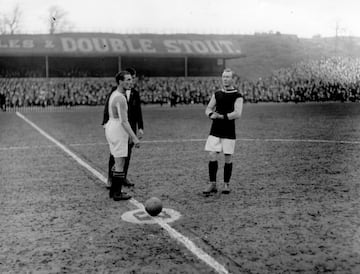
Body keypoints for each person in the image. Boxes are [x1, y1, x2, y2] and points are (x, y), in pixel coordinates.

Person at [203, 68, 243, 195]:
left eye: (228, 77)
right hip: (215, 129)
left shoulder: (238, 95)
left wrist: (221, 116)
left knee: (228, 157)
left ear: (232, 79)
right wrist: (210, 114)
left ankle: (226, 184)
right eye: (224, 76)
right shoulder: (217, 94)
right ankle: (212, 183)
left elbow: (237, 113)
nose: (225, 79)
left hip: (229, 130)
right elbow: (208, 108)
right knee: (212, 155)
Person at [103, 68, 144, 188]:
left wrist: (140, 127)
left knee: (125, 155)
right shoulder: (117, 94)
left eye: (133, 78)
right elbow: (109, 108)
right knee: (117, 156)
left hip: (127, 127)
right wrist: (105, 122)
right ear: (122, 81)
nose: (132, 81)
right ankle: (112, 181)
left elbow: (138, 111)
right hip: (120, 127)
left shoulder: (134, 93)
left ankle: (122, 178)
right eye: (130, 78)